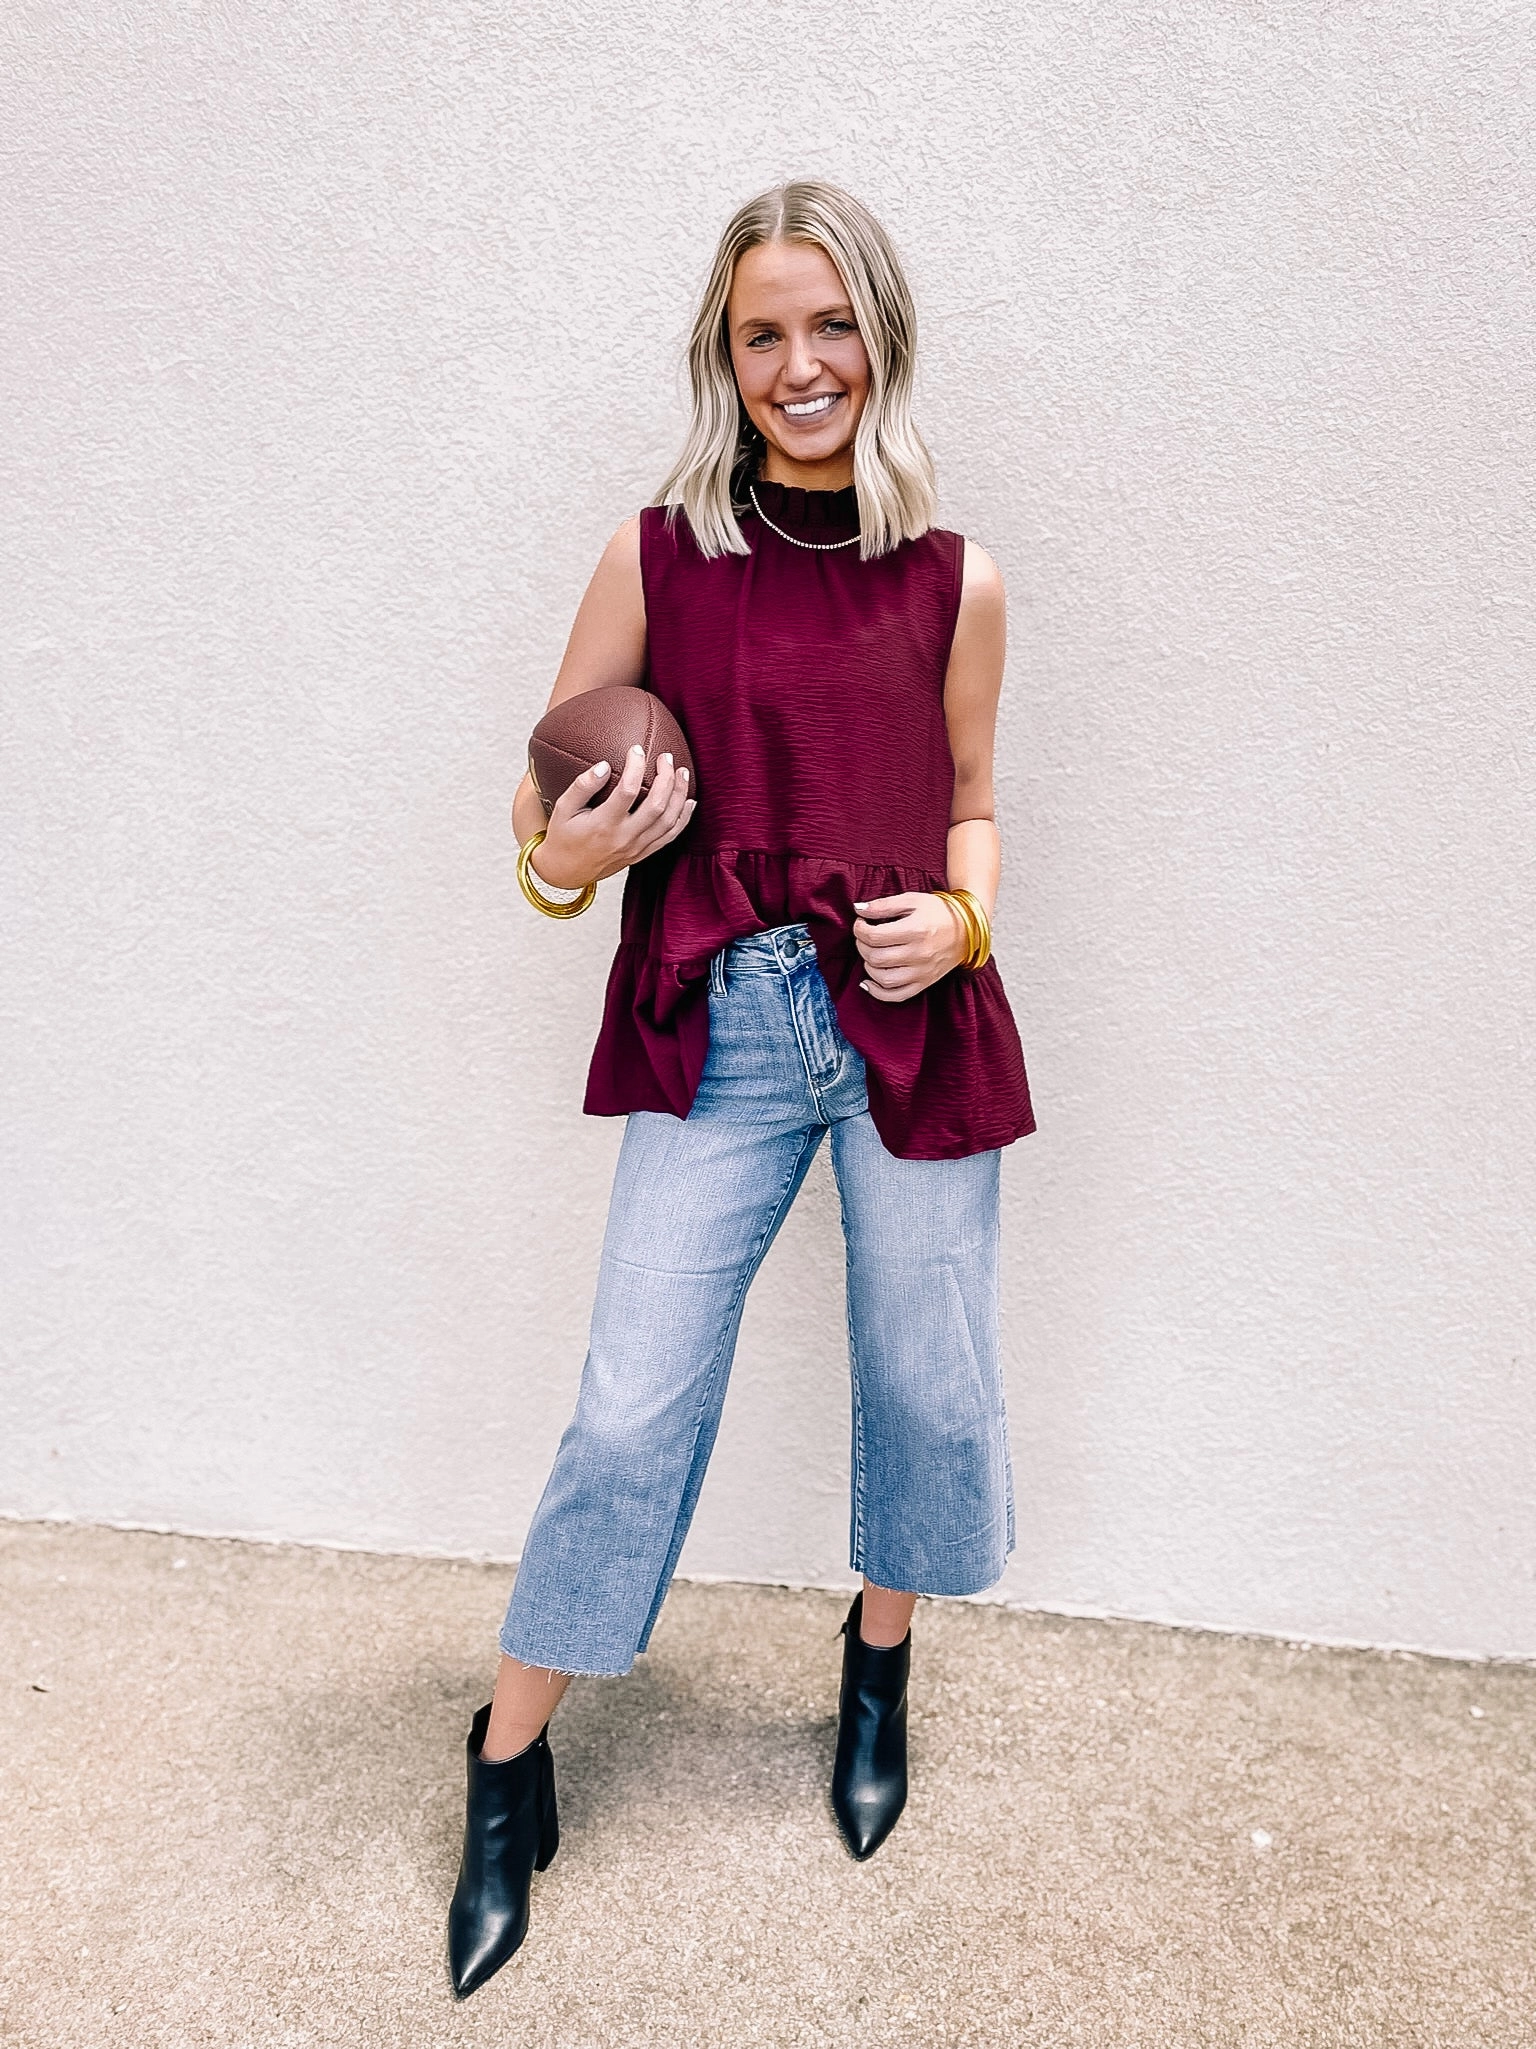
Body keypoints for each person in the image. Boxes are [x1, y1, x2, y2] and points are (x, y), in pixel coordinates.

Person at [447, 179, 1035, 1999]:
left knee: (929, 1386)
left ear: (883, 336)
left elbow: (975, 805)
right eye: (765, 331)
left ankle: (877, 1662)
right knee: (630, 1412)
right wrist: (570, 855)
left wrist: (964, 921)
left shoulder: (959, 575)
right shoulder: (657, 556)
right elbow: (539, 818)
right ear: (725, 351)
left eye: (830, 324)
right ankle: (505, 1759)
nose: (802, 365)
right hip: (725, 1020)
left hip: (905, 1015)